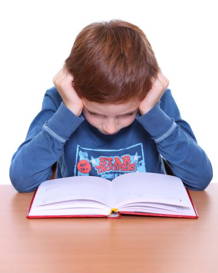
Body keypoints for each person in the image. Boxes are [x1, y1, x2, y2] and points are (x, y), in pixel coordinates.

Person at [9, 20, 213, 193]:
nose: (110, 128)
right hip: (77, 228)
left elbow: (200, 178)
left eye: (127, 114)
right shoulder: (61, 101)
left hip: (147, 227)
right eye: (95, 113)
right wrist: (69, 111)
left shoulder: (155, 101)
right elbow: (23, 180)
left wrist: (151, 113)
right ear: (73, 88)